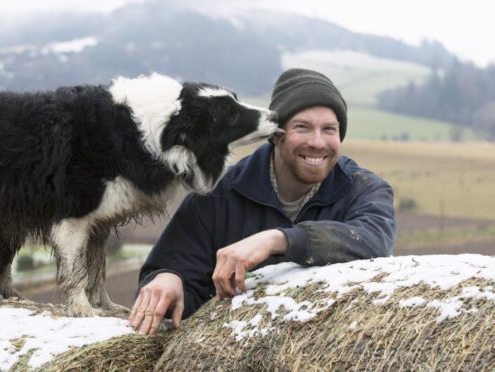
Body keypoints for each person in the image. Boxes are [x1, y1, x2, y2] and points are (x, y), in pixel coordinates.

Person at [128, 68, 396, 335]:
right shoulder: (216, 195)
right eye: (302, 127)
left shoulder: (363, 189)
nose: (317, 142)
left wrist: (277, 240)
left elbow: (373, 241)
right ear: (276, 135)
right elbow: (172, 270)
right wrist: (169, 280)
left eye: (329, 129)